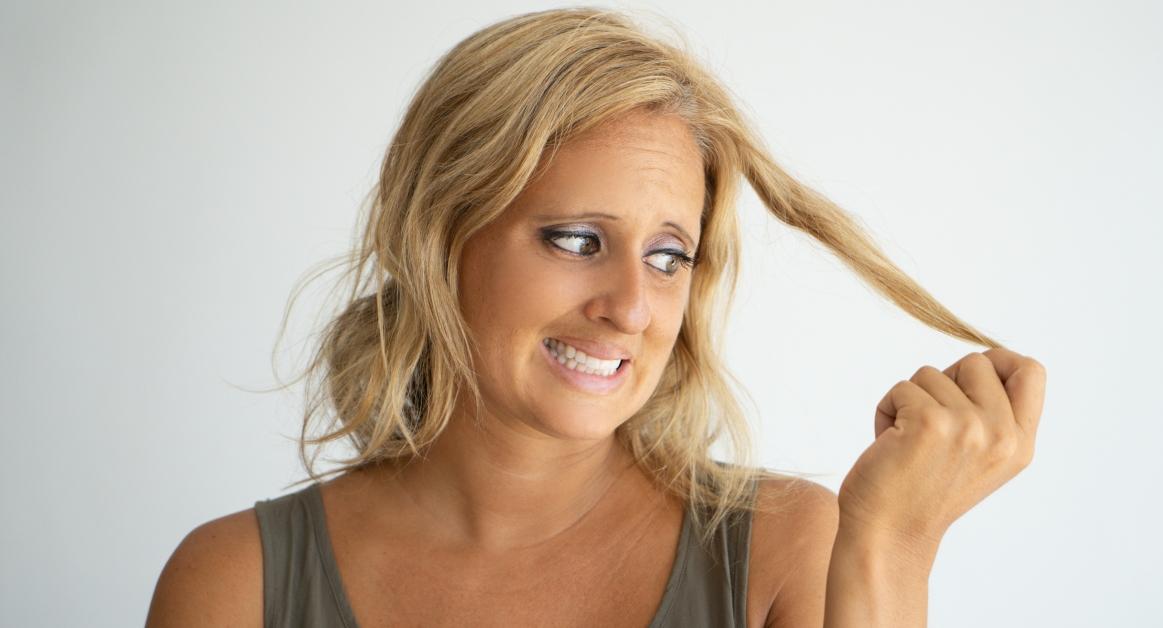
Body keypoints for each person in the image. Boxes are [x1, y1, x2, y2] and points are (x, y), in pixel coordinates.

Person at [146, 7, 1046, 627]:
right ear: (438, 237)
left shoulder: (783, 547)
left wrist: (893, 544)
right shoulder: (238, 582)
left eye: (668, 257)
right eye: (577, 240)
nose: (630, 307)